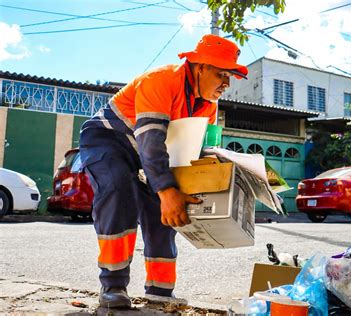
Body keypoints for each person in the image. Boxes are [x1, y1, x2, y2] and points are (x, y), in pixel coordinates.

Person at [79, 34, 248, 308]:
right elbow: (151, 140)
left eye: (230, 77)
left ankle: (160, 293)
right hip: (109, 139)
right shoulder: (161, 80)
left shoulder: (209, 105)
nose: (226, 84)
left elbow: (192, 152)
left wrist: (184, 192)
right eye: (221, 74)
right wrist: (166, 190)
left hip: (152, 153)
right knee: (119, 191)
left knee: (167, 214)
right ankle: (112, 287)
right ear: (200, 66)